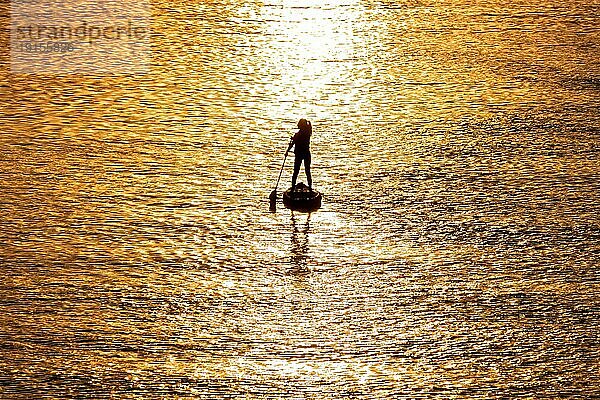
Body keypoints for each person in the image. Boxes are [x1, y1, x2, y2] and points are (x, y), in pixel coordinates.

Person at [288, 118, 312, 190]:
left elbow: (293, 143)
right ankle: (310, 187)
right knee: (307, 171)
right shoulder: (308, 133)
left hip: (300, 154)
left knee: (296, 171)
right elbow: (294, 141)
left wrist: (287, 151)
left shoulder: (299, 134)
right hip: (306, 154)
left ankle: (293, 187)